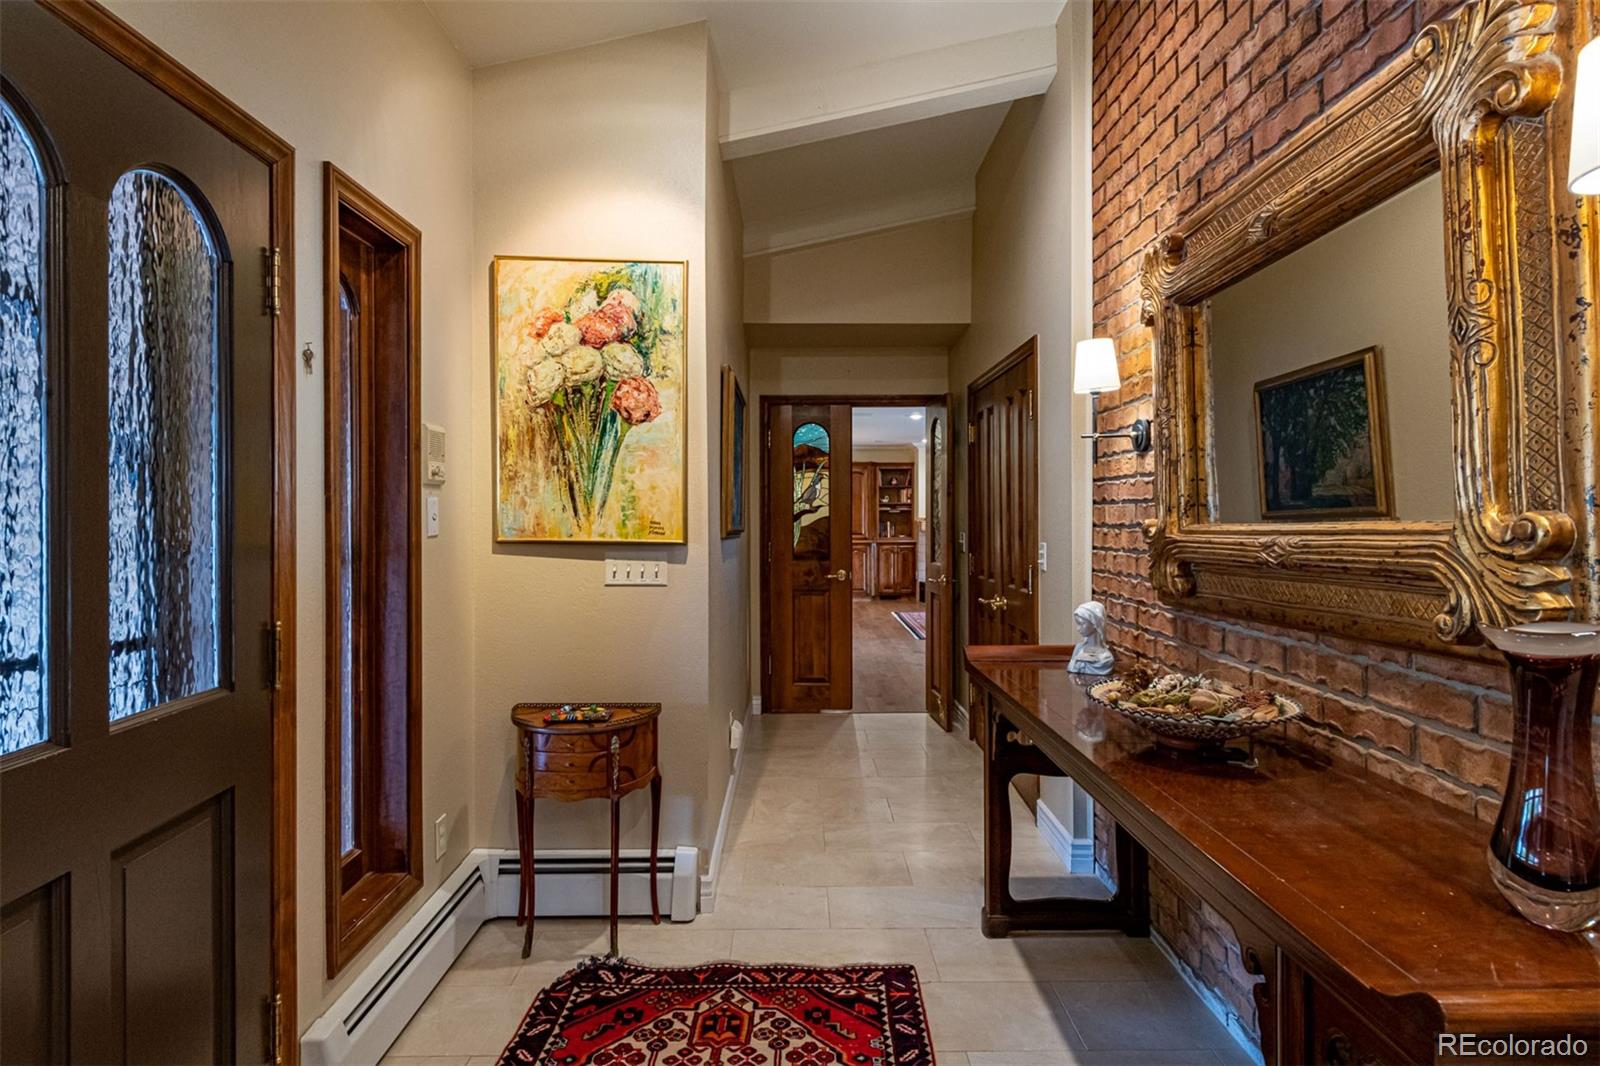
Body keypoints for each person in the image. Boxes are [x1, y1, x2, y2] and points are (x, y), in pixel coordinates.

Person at [1068, 600, 1115, 674]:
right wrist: (1080, 658)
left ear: (1094, 623)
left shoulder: (1106, 658)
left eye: (1081, 623)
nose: (1078, 628)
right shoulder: (1079, 648)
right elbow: (1071, 667)